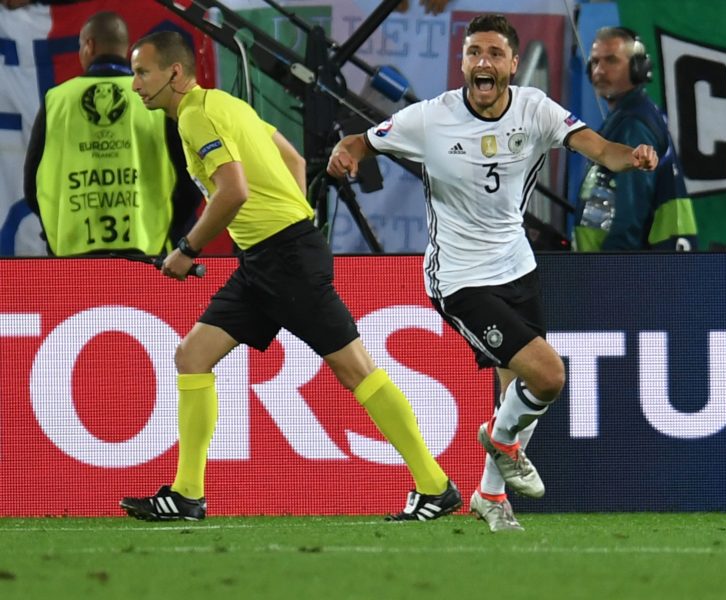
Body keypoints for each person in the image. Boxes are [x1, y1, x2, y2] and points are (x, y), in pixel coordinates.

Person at [327, 14, 657, 532]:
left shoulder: (535, 110)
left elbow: (601, 150)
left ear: (512, 64)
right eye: (473, 53)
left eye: (494, 54)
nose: (483, 62)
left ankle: (490, 495)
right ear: (463, 63)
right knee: (547, 376)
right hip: (458, 278)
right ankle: (500, 443)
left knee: (514, 398)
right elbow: (360, 142)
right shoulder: (430, 119)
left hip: (517, 267)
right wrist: (344, 154)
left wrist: (632, 157)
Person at [120, 30, 460, 522]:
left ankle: (435, 485)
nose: (135, 85)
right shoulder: (227, 105)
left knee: (355, 370)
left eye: (142, 72)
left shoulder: (195, 116)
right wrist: (295, 218)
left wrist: (186, 248)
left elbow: (232, 191)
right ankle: (187, 494)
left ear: (174, 72)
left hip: (286, 259)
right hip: (269, 258)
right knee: (192, 356)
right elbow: (293, 159)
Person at [23, 11, 200, 256]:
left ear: (89, 45)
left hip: (73, 253)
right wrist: (170, 232)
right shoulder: (155, 98)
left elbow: (33, 185)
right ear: (126, 49)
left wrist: (54, 233)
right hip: (146, 250)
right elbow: (191, 179)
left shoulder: (57, 100)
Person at [574, 26, 696, 251]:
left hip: (632, 271)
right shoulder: (628, 117)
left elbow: (629, 215)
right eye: (595, 62)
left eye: (611, 60)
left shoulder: (634, 125)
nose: (599, 70)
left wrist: (612, 269)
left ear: (638, 68)